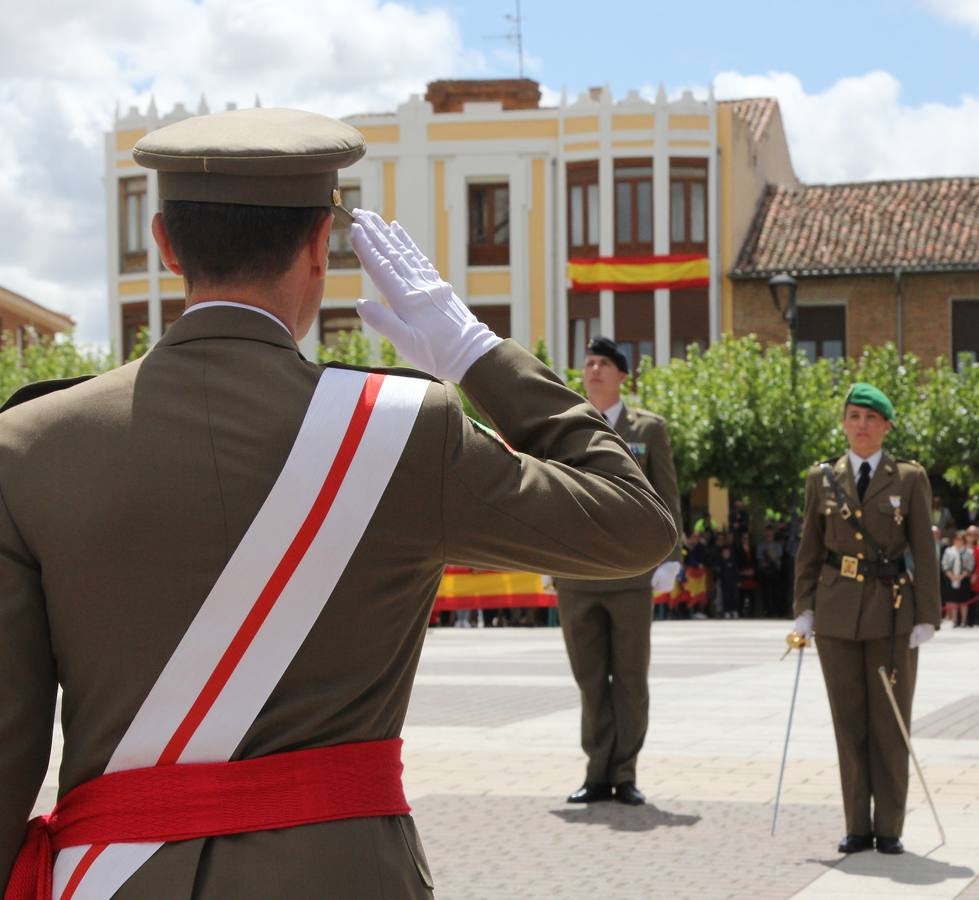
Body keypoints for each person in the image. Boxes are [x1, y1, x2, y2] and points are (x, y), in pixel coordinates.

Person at [0, 109, 678, 898]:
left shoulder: (28, 445)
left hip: (113, 880)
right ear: (322, 246)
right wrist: (472, 352)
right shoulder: (398, 432)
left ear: (164, 244)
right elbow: (633, 525)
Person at [793, 382, 941, 856]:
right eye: (854, 416)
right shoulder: (822, 478)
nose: (861, 425)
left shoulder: (910, 478)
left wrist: (928, 614)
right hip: (836, 613)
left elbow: (924, 548)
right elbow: (810, 549)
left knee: (889, 723)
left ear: (886, 426)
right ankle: (857, 824)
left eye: (871, 418)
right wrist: (804, 608)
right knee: (848, 722)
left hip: (892, 612)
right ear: (844, 422)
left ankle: (889, 827)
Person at [554, 336, 681, 807]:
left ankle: (624, 772)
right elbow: (553, 495)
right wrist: (547, 557)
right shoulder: (566, 427)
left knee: (629, 677)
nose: (593, 370)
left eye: (603, 363)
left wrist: (670, 556)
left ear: (622, 375)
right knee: (590, 678)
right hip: (578, 574)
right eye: (588, 363)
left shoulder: (648, 429)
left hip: (630, 575)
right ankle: (596, 772)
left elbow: (668, 495)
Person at [941, 530, 975, 628]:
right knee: (953, 600)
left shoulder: (968, 552)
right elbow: (944, 564)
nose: (958, 541)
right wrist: (951, 576)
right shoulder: (949, 551)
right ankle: (954, 621)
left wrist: (961, 576)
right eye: (957, 539)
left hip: (963, 579)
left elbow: (970, 565)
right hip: (951, 578)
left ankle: (964, 621)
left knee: (964, 601)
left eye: (960, 539)